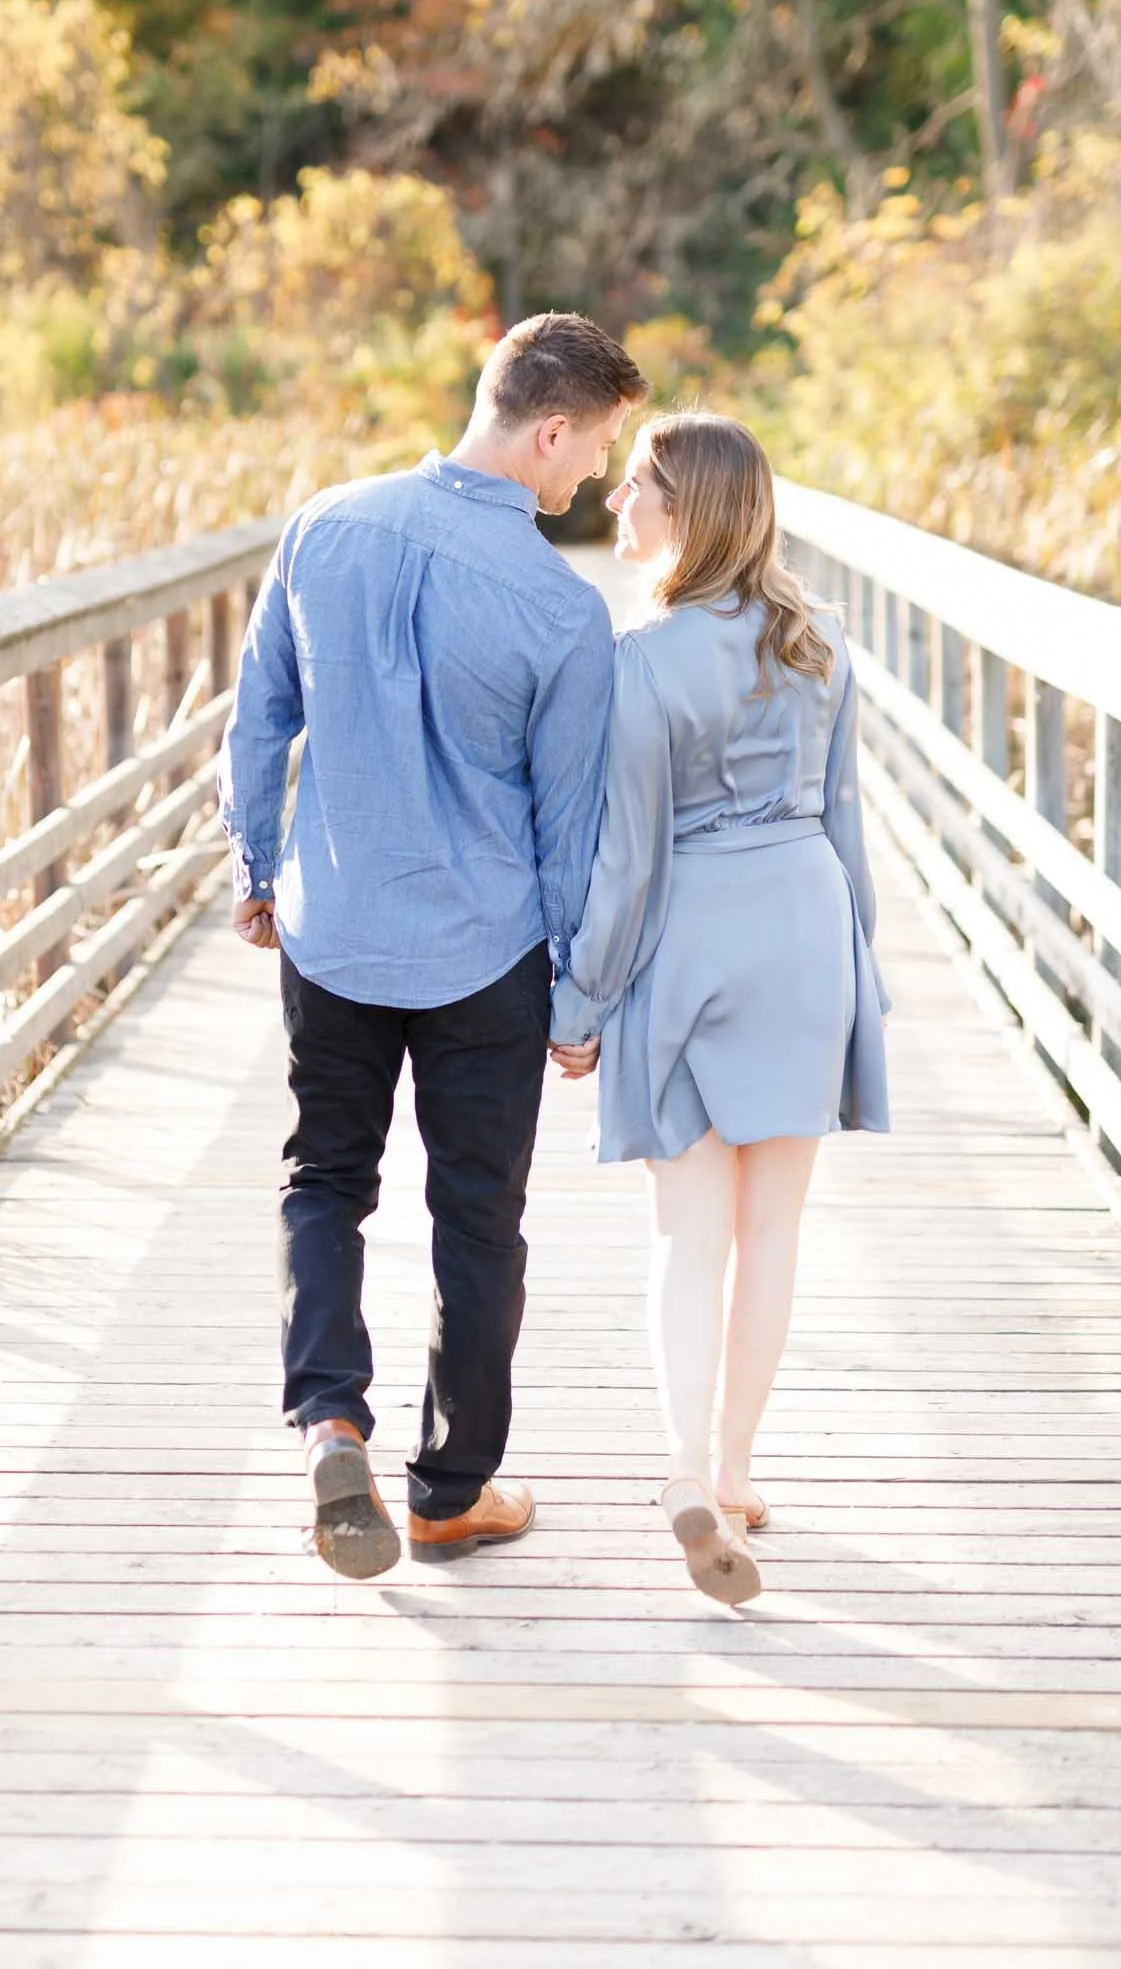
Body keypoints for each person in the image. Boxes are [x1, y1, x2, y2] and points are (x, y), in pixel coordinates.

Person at [218, 313, 648, 1580]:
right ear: (549, 427)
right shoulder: (561, 610)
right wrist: (575, 991)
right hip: (485, 953)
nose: (586, 483)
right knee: (475, 1217)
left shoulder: (323, 522)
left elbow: (260, 716)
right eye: (590, 452)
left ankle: (328, 1419)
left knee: (323, 1180)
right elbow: (567, 822)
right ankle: (450, 1491)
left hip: (334, 924)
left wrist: (253, 864)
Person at [548, 413, 890, 1606]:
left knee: (685, 1233)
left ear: (687, 509)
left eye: (638, 483)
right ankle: (738, 1469)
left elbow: (626, 858)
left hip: (688, 936)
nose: (618, 503)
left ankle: (686, 1467)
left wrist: (578, 1001)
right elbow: (846, 827)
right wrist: (864, 979)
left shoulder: (639, 660)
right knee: (774, 1231)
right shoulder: (822, 644)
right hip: (804, 928)